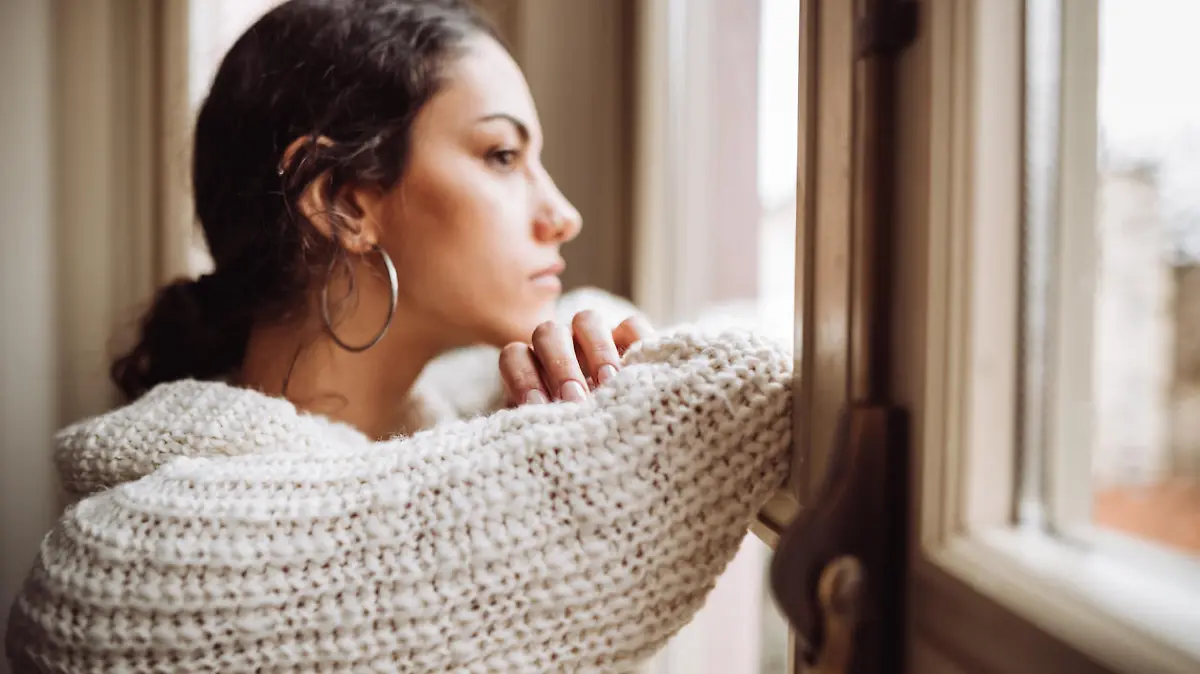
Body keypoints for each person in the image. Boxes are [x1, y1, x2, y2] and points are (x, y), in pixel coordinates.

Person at [5, 1, 795, 671]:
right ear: (343, 202)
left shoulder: (447, 434)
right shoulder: (130, 567)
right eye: (501, 154)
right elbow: (740, 381)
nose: (562, 213)